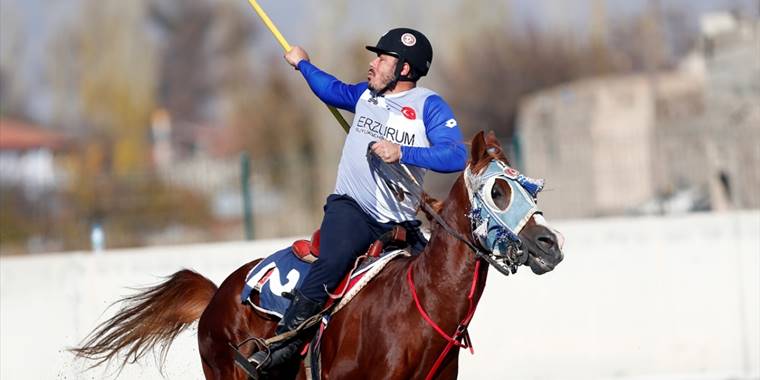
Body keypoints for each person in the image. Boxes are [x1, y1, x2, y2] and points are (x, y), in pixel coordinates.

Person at [249, 27, 467, 370]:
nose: (373, 63)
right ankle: (281, 346)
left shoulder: (429, 106)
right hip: (353, 211)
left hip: (400, 221)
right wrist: (303, 64)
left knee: (437, 284)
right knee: (331, 265)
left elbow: (456, 156)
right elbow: (329, 89)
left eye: (382, 58)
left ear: (405, 69)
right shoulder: (365, 95)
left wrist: (403, 151)